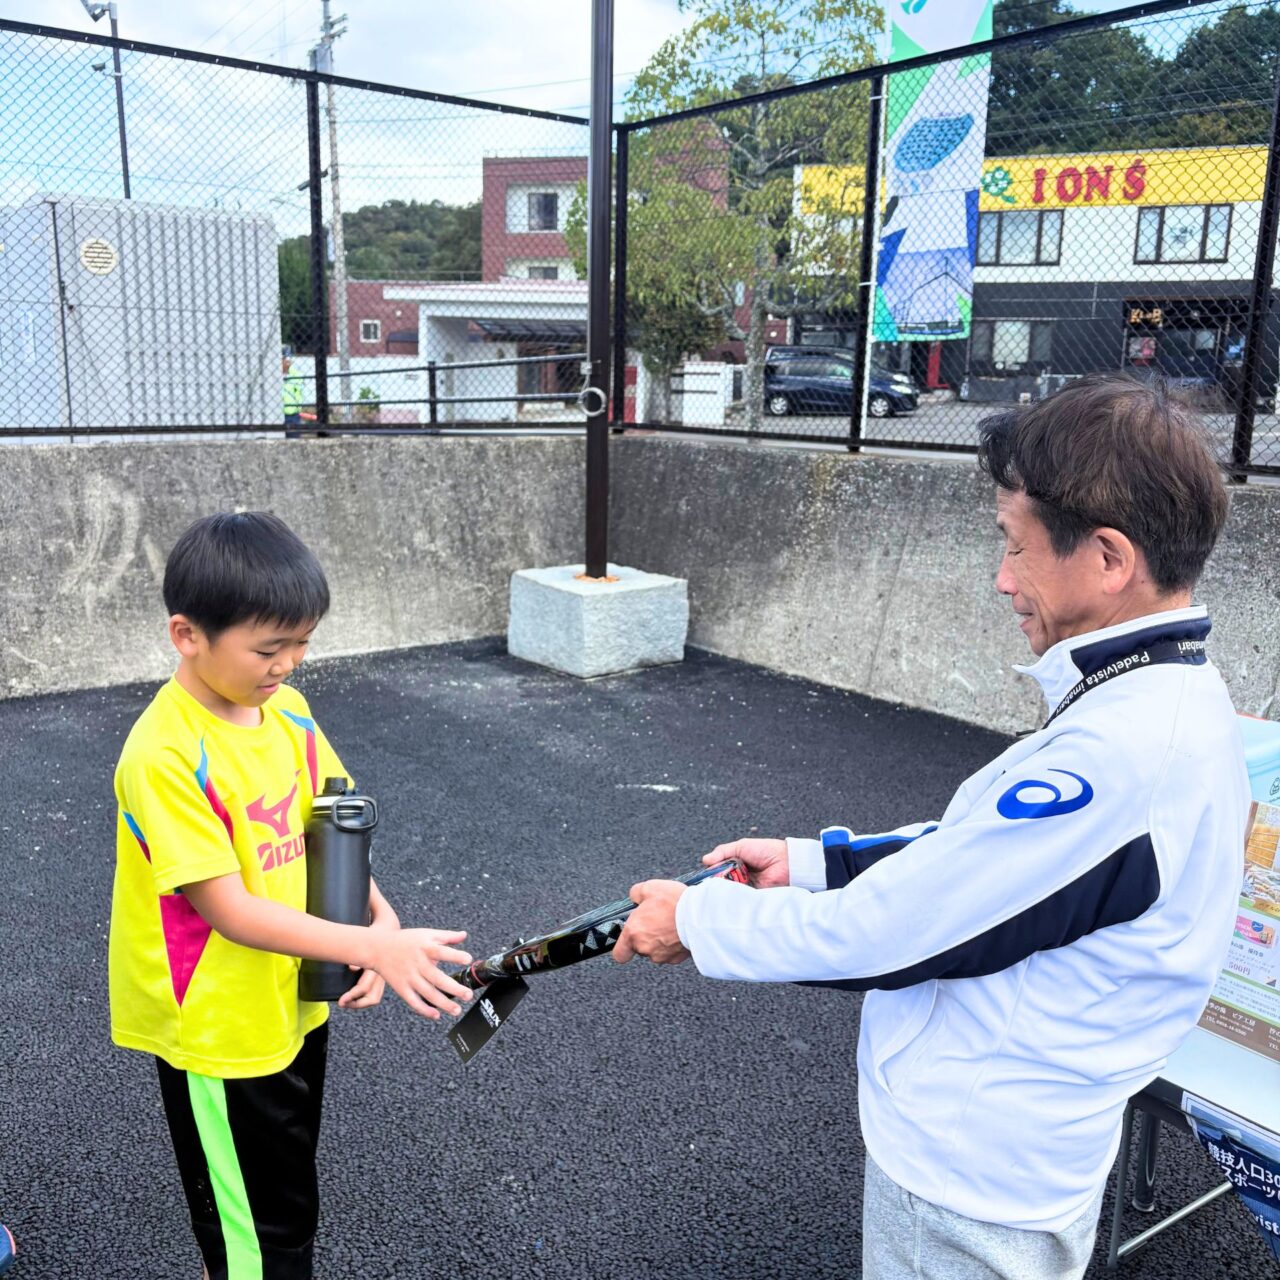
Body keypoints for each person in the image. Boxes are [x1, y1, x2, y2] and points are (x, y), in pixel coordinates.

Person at [614, 375, 1248, 1280]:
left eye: (1014, 547)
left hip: (970, 1179)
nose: (1001, 580)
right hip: (1018, 1156)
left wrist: (697, 921)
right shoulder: (1165, 699)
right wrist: (816, 865)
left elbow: (899, 933)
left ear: (1108, 559)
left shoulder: (1122, 753)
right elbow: (988, 857)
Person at [109, 511, 474, 1280]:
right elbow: (228, 910)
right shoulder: (164, 753)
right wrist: (371, 946)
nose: (289, 665)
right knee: (254, 1232)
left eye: (303, 643)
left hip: (290, 997)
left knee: (282, 1197)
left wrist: (378, 913)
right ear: (187, 635)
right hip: (219, 1025)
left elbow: (329, 824)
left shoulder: (290, 716)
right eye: (269, 648)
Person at [282, 349, 304, 428]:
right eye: (285, 359)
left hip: (293, 414)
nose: (288, 362)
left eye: (289, 359)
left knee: (293, 439)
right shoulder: (273, 374)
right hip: (278, 414)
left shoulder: (296, 375)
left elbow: (299, 392)